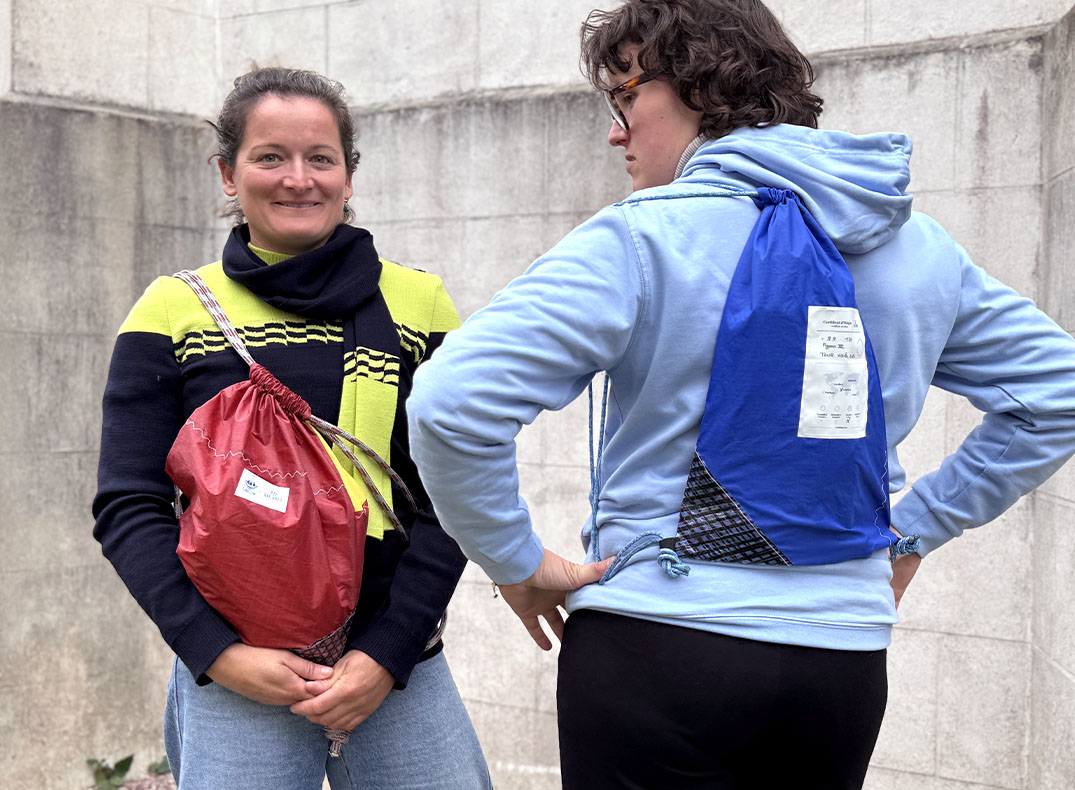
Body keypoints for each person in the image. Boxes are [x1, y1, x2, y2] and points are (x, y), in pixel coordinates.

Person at [405, 1, 1075, 788]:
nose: (615, 131)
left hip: (656, 647)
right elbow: (1054, 393)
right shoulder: (917, 247)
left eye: (625, 98)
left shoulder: (641, 235)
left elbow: (450, 403)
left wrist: (515, 560)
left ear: (696, 84)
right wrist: (914, 529)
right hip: (840, 659)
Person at [93, 67, 491, 790]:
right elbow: (128, 505)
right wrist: (216, 654)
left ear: (349, 174)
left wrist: (386, 654)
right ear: (227, 171)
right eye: (269, 156)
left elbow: (452, 493)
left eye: (321, 158)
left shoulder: (420, 302)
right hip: (242, 677)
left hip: (396, 672)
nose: (297, 179)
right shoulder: (173, 310)